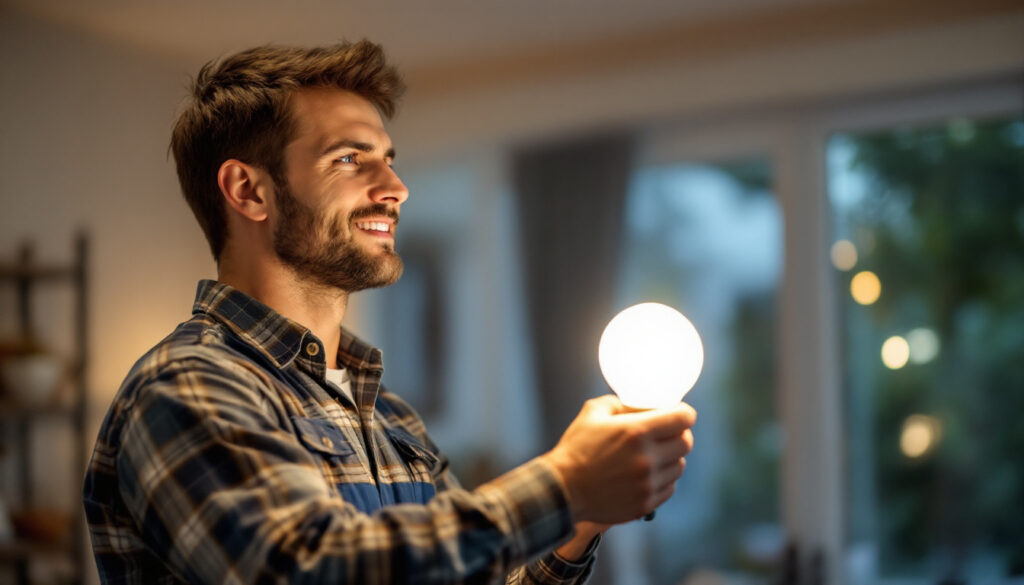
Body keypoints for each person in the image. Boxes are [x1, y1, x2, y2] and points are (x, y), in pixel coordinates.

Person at [82, 40, 697, 585]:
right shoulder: (188, 387)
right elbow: (309, 569)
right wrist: (563, 484)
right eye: (350, 159)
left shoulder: (390, 418)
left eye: (388, 157)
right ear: (249, 190)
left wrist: (578, 522)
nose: (395, 186)